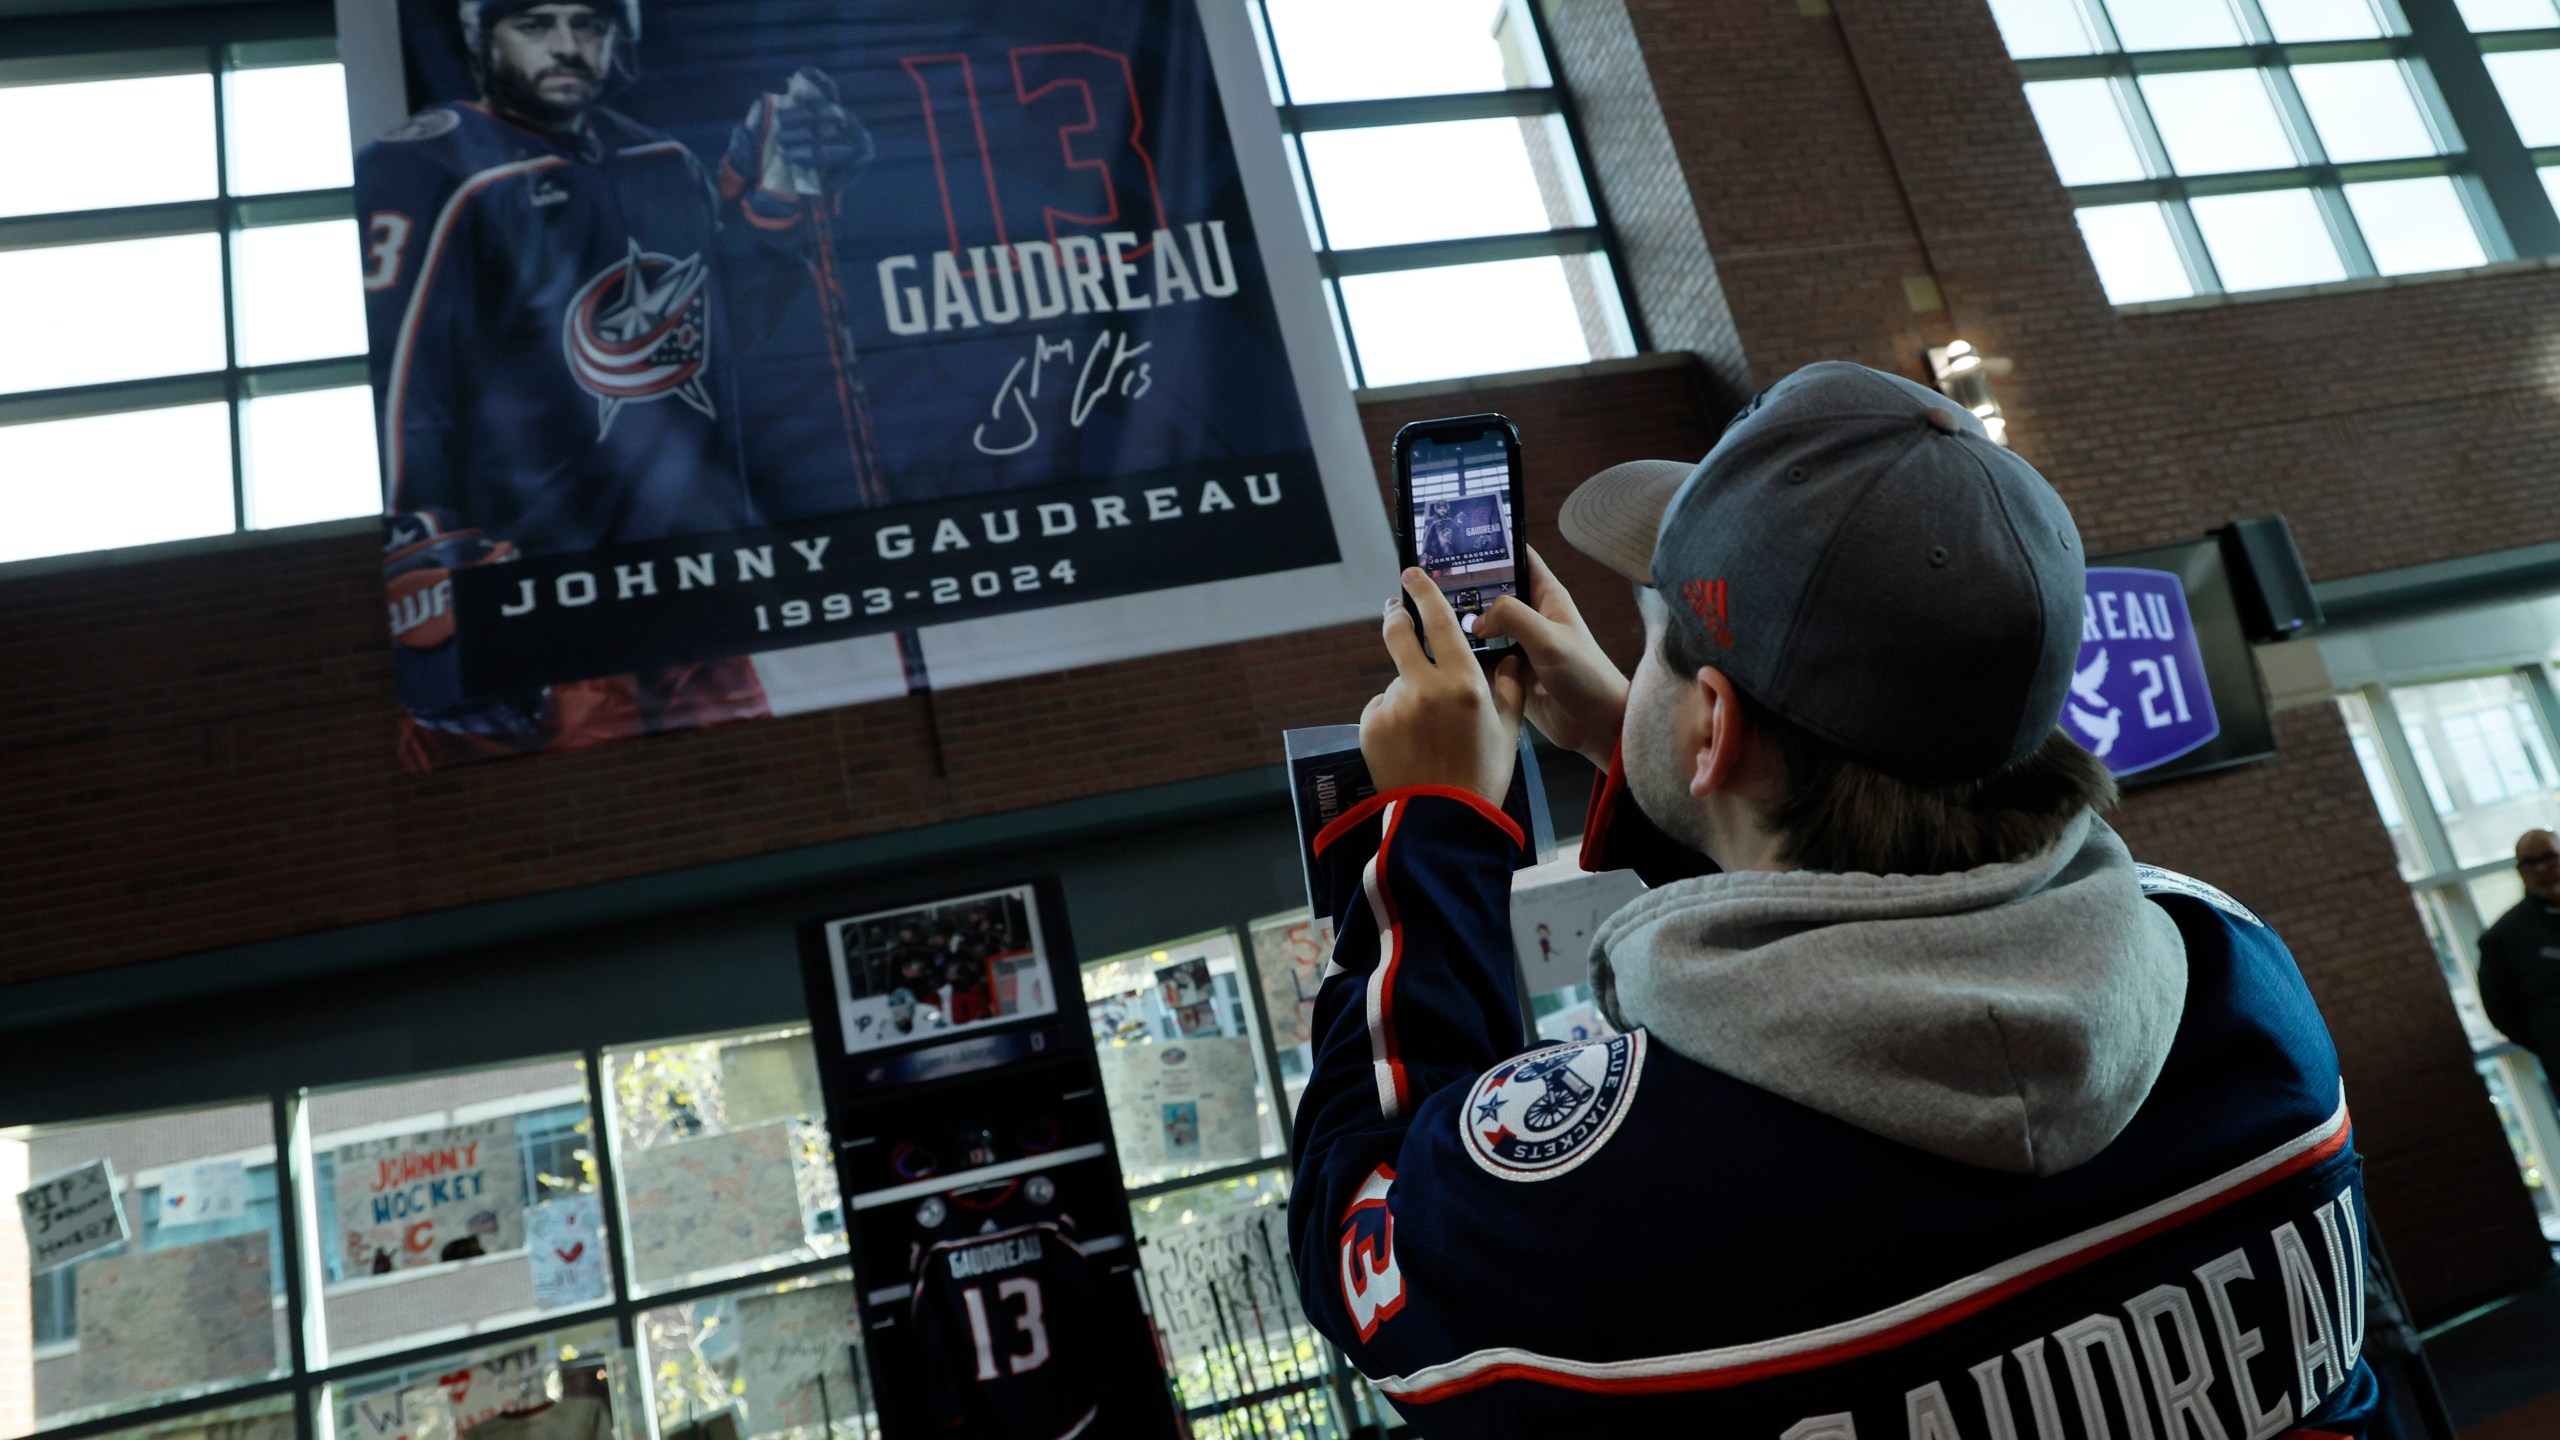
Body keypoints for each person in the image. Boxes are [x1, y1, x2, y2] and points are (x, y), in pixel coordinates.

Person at [1288, 362, 2381, 1434]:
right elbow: (1868, 951)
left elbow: (1363, 1237)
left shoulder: (1614, 1206)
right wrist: (1656, 750)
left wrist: (1428, 827)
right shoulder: (2234, 975)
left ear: (1711, 723)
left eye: (1662, 638)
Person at [359, 0, 871, 768]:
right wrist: (429, 561)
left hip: (691, 603)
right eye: (533, 25)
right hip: (549, 611)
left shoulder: (660, 161)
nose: (567, 46)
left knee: (757, 808)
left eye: (589, 24)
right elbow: (397, 390)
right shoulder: (426, 169)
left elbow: (719, 338)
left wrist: (776, 205)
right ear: (481, 37)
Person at [2477, 828, 2560, 1083]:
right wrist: (2548, 1037)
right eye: (2530, 864)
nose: (2542, 870)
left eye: (2549, 858)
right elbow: (2501, 1010)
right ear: (2520, 872)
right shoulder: (2503, 939)